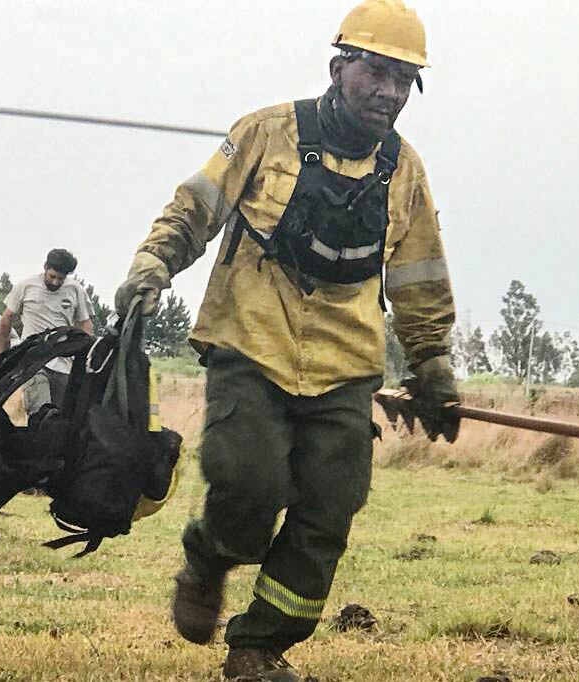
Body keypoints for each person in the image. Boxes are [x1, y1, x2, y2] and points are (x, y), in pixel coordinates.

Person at [114, 1, 460, 678]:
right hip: (252, 344)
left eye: (403, 81)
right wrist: (154, 263)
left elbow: (419, 275)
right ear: (340, 68)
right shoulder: (264, 133)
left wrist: (434, 363)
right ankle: (211, 556)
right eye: (378, 73)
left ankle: (260, 646)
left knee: (330, 508)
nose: (389, 92)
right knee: (249, 483)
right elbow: (195, 208)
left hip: (346, 364)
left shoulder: (405, 170)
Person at [0, 249, 94, 416]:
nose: (55, 283)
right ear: (45, 267)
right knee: (41, 412)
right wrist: (1, 352)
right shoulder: (26, 286)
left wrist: (89, 356)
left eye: (60, 279)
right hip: (33, 361)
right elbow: (7, 318)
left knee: (63, 417)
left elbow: (86, 324)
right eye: (52, 277)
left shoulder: (75, 290)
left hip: (63, 364)